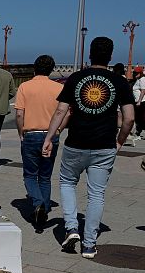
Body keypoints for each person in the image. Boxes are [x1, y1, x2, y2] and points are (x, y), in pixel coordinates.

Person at [42, 37, 135, 258]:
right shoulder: (120, 82)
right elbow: (129, 118)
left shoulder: (75, 79)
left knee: (67, 183)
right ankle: (89, 244)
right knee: (96, 194)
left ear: (90, 55)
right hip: (104, 146)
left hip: (76, 144)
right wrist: (119, 141)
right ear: (111, 56)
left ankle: (72, 227)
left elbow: (60, 111)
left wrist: (49, 137)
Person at [14, 55, 64, 226]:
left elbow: (19, 114)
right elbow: (67, 113)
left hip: (32, 134)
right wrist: (58, 130)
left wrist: (21, 132)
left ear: (34, 68)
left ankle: (38, 203)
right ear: (51, 70)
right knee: (45, 175)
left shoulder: (25, 87)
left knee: (30, 174)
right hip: (51, 135)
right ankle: (45, 207)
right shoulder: (58, 88)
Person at [132, 66, 145, 137]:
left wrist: (139, 101)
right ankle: (137, 132)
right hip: (136, 101)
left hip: (141, 101)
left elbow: (143, 90)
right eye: (134, 72)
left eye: (136, 73)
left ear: (140, 73)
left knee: (139, 118)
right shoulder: (138, 79)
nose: (134, 74)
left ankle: (138, 134)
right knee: (137, 117)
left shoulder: (142, 79)